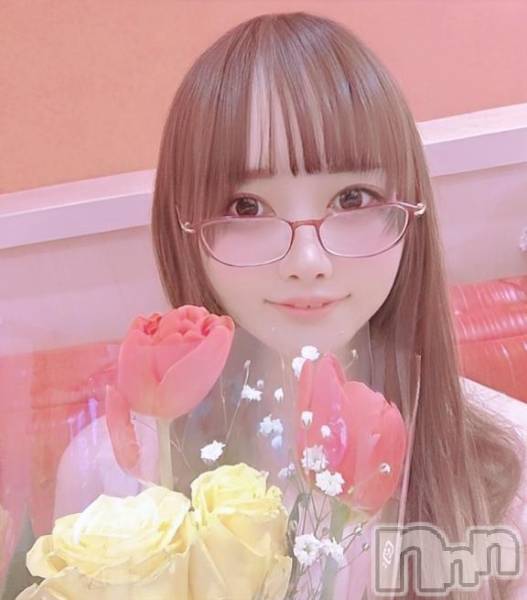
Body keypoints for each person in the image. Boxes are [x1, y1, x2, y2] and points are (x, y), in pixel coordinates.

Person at [147, 11, 527, 599]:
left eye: (353, 197)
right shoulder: (122, 472)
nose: (307, 260)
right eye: (246, 207)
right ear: (183, 229)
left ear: (410, 209)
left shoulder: (506, 467)